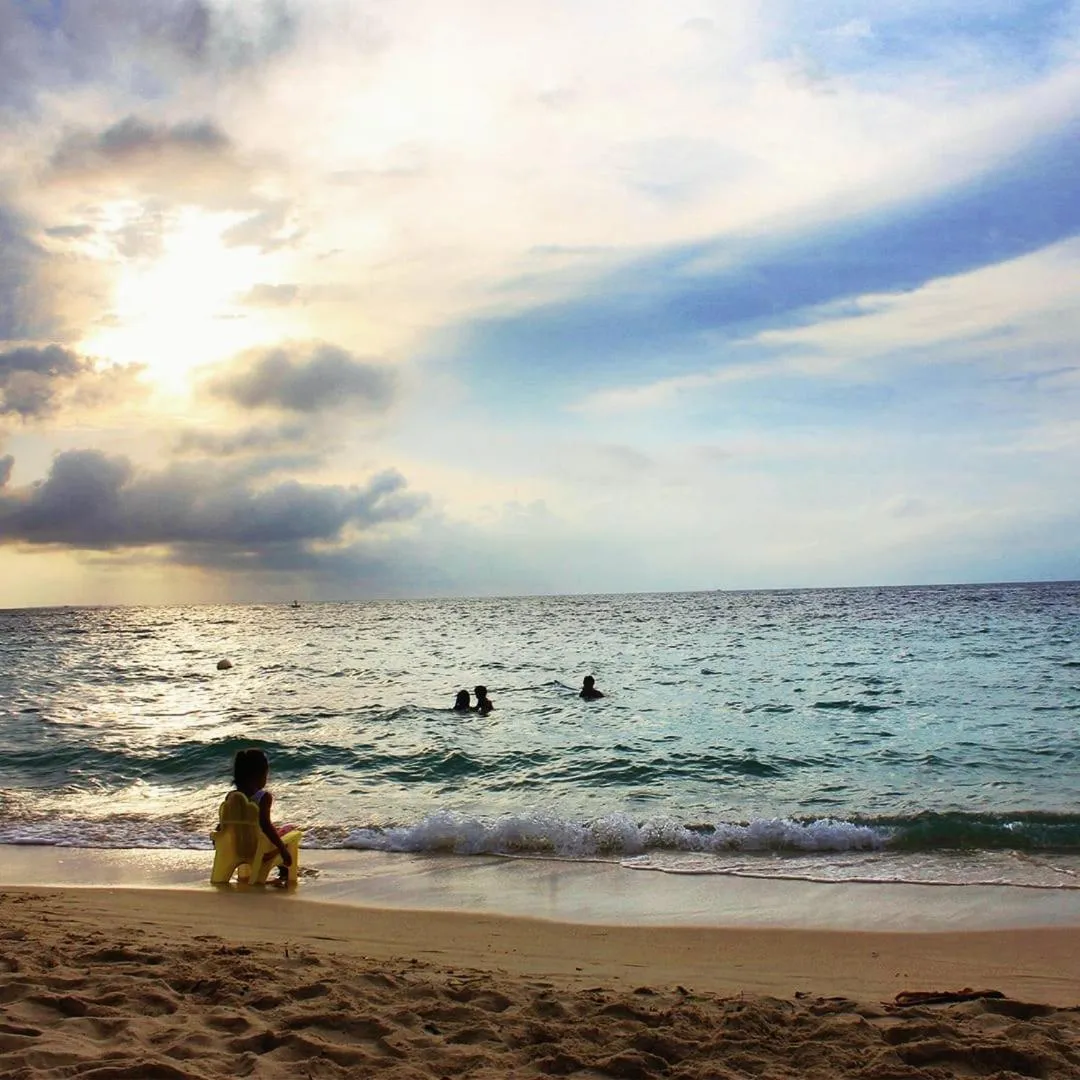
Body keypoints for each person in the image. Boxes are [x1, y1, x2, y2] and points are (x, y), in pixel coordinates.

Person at [232, 747, 294, 883]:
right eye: (266, 774)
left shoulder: (232, 797)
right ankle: (285, 873)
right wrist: (282, 849)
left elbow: (226, 823)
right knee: (289, 831)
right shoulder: (263, 797)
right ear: (258, 775)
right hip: (261, 850)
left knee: (274, 831)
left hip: (238, 848)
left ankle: (244, 872)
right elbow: (265, 825)